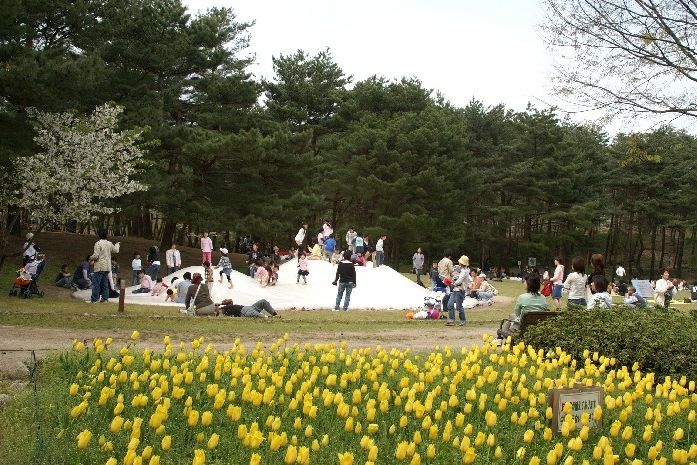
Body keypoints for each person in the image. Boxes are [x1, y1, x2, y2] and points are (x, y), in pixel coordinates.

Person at [88, 229, 120, 303]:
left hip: (99, 266)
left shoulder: (98, 243)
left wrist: (90, 258)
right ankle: (105, 299)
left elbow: (96, 255)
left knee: (96, 284)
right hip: (107, 267)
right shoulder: (109, 243)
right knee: (105, 284)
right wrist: (117, 244)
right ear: (106, 234)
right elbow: (116, 250)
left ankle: (95, 299)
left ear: (99, 235)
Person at [216, 298, 280, 318]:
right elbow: (218, 313)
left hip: (248, 307)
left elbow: (230, 300)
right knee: (255, 314)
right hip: (243, 312)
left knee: (263, 301)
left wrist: (221, 303)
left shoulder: (226, 306)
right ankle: (269, 317)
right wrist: (216, 308)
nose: (224, 301)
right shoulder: (223, 311)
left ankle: (275, 314)